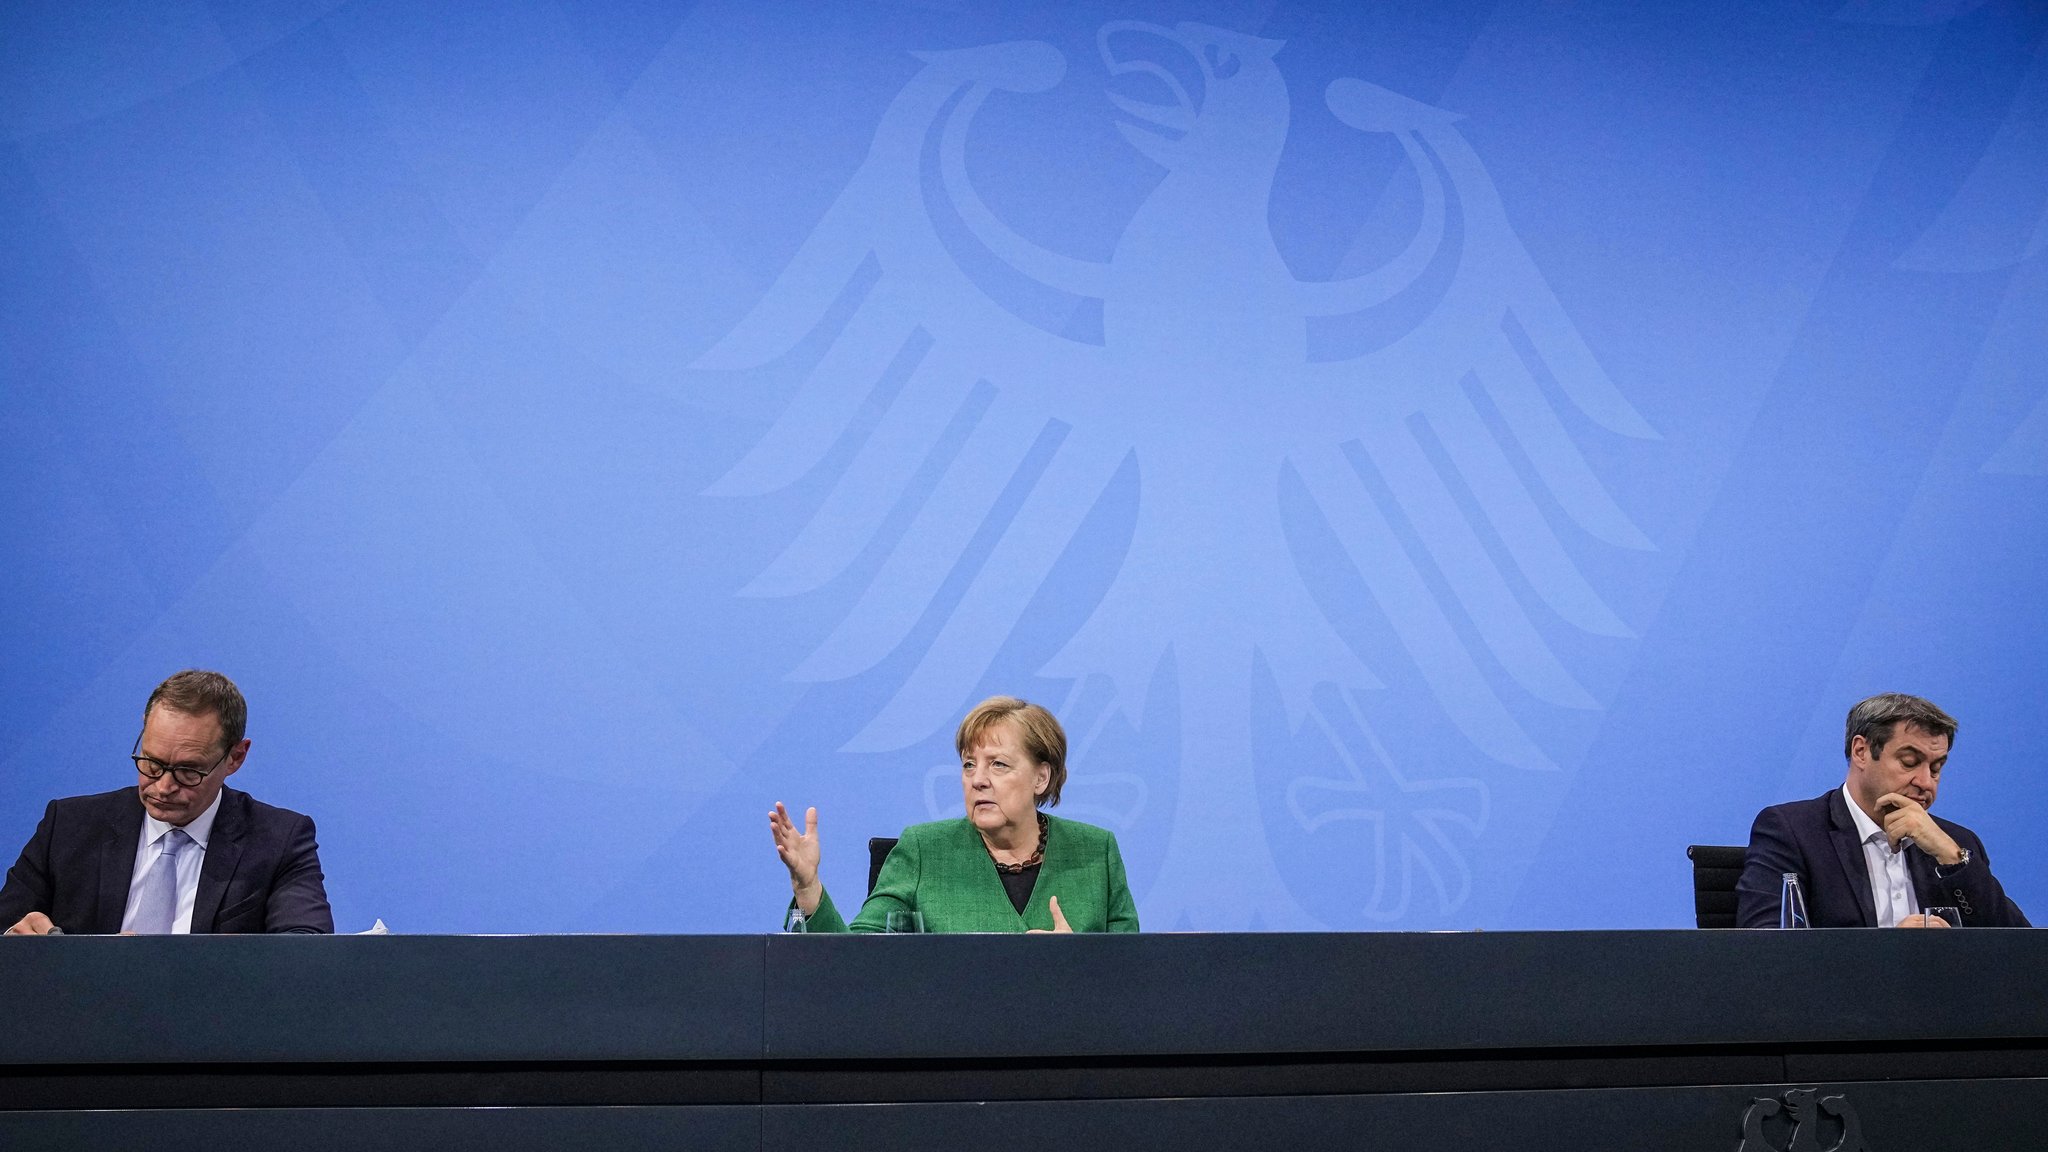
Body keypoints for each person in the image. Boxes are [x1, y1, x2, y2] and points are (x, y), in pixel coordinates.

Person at [1, 670, 332, 935]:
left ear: (235, 758)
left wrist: (234, 964)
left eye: (188, 771)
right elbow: (7, 928)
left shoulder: (279, 840)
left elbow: (304, 948)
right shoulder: (69, 826)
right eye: (151, 763)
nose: (163, 786)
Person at [769, 696, 1139, 933]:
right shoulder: (924, 851)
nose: (977, 780)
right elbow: (855, 963)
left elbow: (1134, 978)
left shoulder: (1096, 852)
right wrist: (808, 887)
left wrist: (1082, 967)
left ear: (1041, 777)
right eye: (968, 765)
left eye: (998, 765)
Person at [1736, 693, 2027, 929]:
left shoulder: (1955, 843)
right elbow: (1768, 950)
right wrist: (1887, 953)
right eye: (1910, 762)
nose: (1925, 782)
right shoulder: (1792, 831)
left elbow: (2022, 954)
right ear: (1861, 752)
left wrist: (1953, 861)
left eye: (1936, 768)